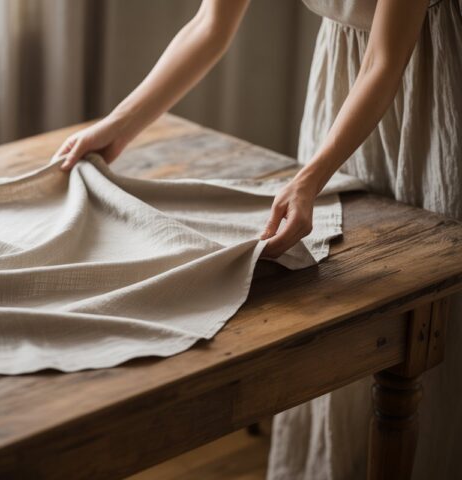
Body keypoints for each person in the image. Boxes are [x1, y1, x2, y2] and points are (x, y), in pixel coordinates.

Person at [54, 0, 462, 478]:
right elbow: (209, 24)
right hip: (344, 85)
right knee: (344, 302)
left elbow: (385, 60)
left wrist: (308, 180)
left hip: (432, 83)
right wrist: (119, 124)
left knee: (428, 292)